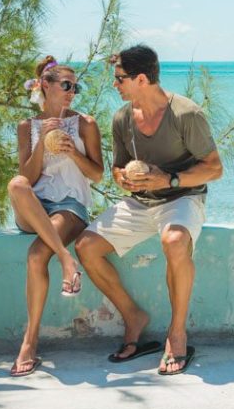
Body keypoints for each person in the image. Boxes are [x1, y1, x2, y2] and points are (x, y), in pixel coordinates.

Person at [75, 44, 223, 377]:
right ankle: (133, 316)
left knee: (173, 242)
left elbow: (214, 169)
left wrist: (168, 179)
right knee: (86, 247)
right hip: (141, 202)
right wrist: (124, 179)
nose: (115, 85)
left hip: (183, 198)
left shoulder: (187, 114)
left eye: (120, 79)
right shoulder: (122, 118)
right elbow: (116, 168)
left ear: (141, 79)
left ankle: (177, 333)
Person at [7, 56, 104, 377]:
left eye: (75, 87)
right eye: (65, 85)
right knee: (17, 183)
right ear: (44, 87)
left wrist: (72, 151)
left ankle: (29, 342)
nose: (72, 92)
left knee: (36, 256)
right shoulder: (27, 127)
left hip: (69, 206)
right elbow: (28, 179)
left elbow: (98, 175)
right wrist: (41, 145)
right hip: (35, 207)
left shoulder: (85, 124)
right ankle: (66, 259)